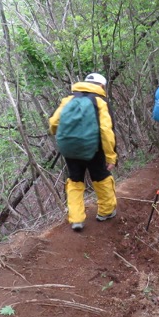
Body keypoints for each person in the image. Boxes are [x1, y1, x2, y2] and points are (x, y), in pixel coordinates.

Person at [49, 72, 118, 231]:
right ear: (101, 86)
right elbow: (106, 131)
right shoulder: (100, 102)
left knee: (75, 180)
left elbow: (53, 122)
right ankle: (106, 212)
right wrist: (111, 156)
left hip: (69, 148)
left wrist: (61, 136)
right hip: (93, 148)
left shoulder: (68, 100)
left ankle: (77, 219)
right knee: (101, 178)